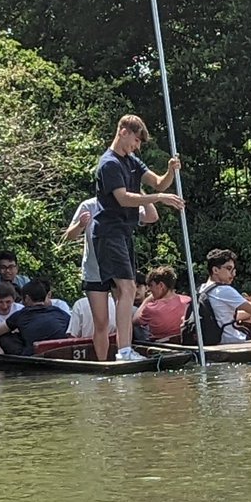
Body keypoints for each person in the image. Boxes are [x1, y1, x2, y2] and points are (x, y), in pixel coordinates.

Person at [91, 114, 185, 362]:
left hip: (124, 232)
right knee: (128, 288)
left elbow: (159, 183)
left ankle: (124, 348)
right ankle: (123, 350)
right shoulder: (109, 163)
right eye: (135, 140)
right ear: (123, 132)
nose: (137, 146)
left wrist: (170, 170)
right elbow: (123, 198)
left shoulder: (132, 161)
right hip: (109, 231)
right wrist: (157, 199)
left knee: (125, 290)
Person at [63, 196, 158, 342]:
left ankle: (125, 354)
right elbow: (69, 235)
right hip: (95, 270)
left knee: (124, 320)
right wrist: (80, 225)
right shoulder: (88, 205)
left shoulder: (128, 202)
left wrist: (140, 193)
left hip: (119, 268)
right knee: (101, 323)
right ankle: (103, 361)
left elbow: (152, 216)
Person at [0, 279, 71, 356]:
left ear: (27, 298)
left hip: (33, 353)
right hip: (60, 351)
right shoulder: (61, 312)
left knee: (5, 337)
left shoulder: (20, 315)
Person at [134, 266, 191, 340]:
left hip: (158, 344)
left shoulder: (152, 308)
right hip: (183, 341)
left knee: (133, 310)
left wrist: (148, 299)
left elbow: (134, 320)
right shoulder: (188, 301)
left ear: (161, 285)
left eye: (151, 286)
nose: (149, 290)